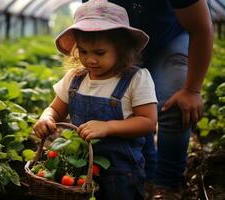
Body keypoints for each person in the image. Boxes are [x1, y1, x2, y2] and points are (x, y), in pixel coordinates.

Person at [81, 0, 214, 199]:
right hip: (120, 43)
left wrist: (192, 90)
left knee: (174, 104)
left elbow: (201, 28)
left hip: (170, 39)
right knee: (129, 103)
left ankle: (168, 184)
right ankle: (146, 175)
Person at [33, 0, 158, 199]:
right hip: (80, 167)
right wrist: (46, 118)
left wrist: (108, 127)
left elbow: (148, 122)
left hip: (121, 174)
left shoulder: (137, 79)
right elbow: (55, 109)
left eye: (100, 53)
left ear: (122, 48)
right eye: (83, 51)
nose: (90, 59)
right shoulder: (75, 78)